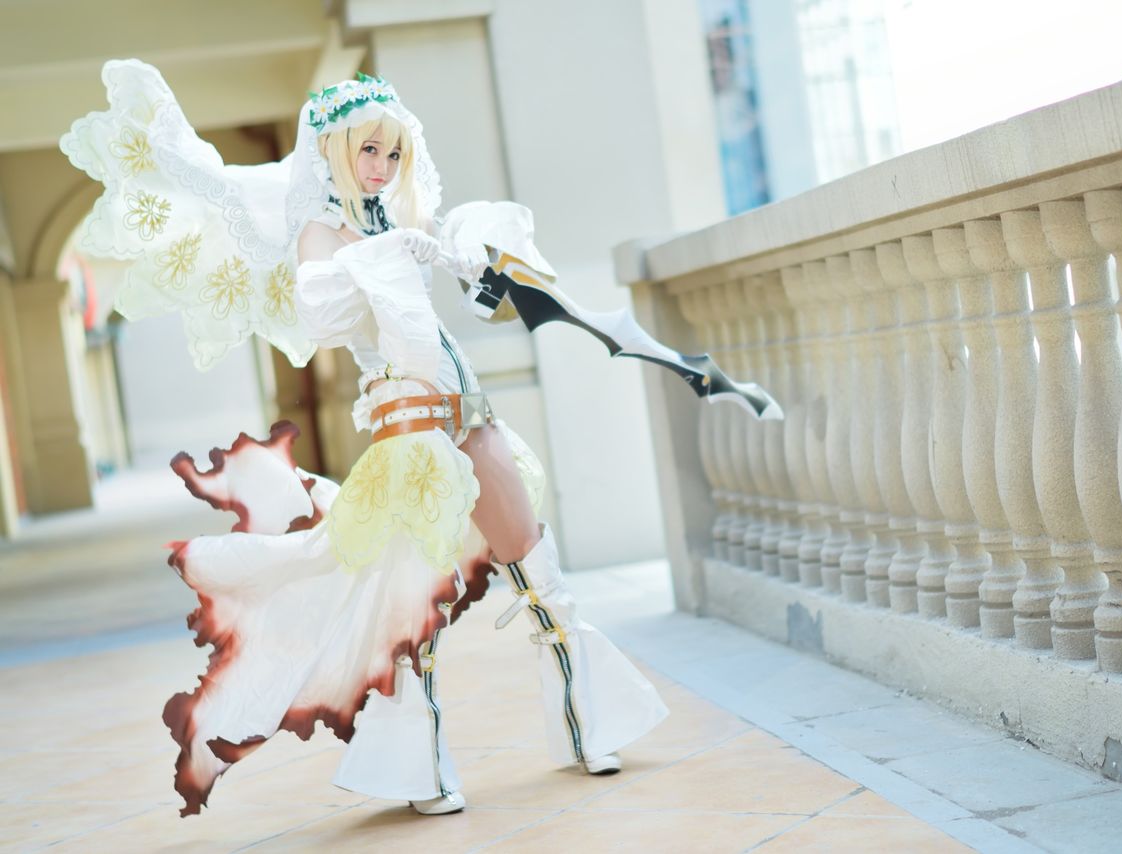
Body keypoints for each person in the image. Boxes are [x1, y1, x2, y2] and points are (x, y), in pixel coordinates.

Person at [61, 59, 669, 818]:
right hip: (410, 435)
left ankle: (591, 732)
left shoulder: (393, 220)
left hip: (470, 416)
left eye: (392, 152)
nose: (381, 166)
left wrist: (469, 260)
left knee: (541, 578)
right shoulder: (323, 232)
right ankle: (422, 774)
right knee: (417, 617)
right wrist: (389, 256)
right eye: (368, 150)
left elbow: (473, 301)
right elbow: (323, 316)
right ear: (334, 152)